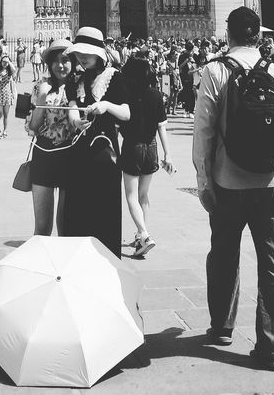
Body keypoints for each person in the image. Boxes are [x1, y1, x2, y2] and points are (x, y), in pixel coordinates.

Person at [192, 6, 274, 368]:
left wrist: (204, 180)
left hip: (227, 181)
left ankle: (221, 327)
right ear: (259, 36)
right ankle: (273, 346)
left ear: (229, 34)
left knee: (223, 254)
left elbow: (203, 132)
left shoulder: (215, 70)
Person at [61, 27, 131, 258]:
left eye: (87, 53)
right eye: (79, 53)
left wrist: (106, 106)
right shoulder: (76, 78)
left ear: (99, 53)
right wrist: (75, 121)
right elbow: (72, 105)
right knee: (77, 208)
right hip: (79, 150)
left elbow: (126, 113)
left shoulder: (115, 77)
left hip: (105, 152)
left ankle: (106, 261)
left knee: (104, 209)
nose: (81, 58)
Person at [119, 51, 173, 259]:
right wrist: (167, 154)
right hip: (151, 148)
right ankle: (142, 234)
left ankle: (144, 234)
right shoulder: (156, 94)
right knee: (143, 195)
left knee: (131, 196)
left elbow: (118, 125)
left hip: (132, 147)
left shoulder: (127, 95)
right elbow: (162, 128)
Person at [26, 41, 79, 236]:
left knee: (66, 225)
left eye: (65, 60)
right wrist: (41, 99)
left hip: (71, 156)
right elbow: (32, 127)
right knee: (42, 226)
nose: (60, 65)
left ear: (73, 62)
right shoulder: (41, 86)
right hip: (44, 154)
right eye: (55, 61)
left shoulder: (81, 87)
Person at [0, 51, 16, 139]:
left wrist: (9, 61)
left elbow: (14, 70)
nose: (5, 63)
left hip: (7, 94)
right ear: (1, 62)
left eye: (6, 62)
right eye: (3, 62)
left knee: (6, 115)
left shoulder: (10, 72)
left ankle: (5, 130)